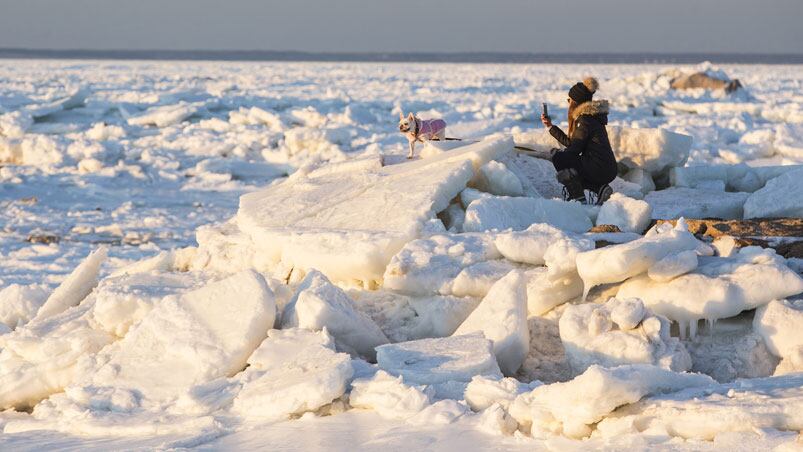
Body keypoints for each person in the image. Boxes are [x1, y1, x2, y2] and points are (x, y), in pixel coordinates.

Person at [540, 77, 617, 204]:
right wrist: (550, 126)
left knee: (560, 159)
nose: (568, 102)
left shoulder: (585, 120)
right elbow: (573, 143)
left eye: (569, 100)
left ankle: (578, 198)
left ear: (575, 102)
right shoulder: (590, 118)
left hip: (600, 168)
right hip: (605, 167)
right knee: (565, 159)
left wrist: (556, 155)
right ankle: (600, 189)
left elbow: (574, 150)